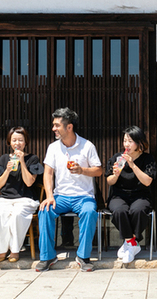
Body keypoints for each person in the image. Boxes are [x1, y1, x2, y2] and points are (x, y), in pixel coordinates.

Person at [36, 108, 103, 272]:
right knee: (44, 210)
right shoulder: (53, 148)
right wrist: (49, 196)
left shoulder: (87, 146)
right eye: (53, 125)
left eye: (57, 125)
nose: (53, 129)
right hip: (61, 196)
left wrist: (83, 171)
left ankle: (83, 256)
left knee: (89, 212)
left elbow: (99, 170)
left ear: (69, 127)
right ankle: (47, 256)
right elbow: (48, 173)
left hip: (83, 196)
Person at [0, 127, 44, 263]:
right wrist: (6, 171)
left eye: (20, 140)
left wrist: (22, 162)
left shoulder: (32, 158)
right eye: (14, 140)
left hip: (25, 199)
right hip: (6, 199)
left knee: (17, 215)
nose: (17, 143)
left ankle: (14, 250)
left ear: (25, 142)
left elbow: (29, 182)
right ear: (9, 142)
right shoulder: (4, 158)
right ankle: (1, 250)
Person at [105, 126, 156, 263]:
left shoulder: (147, 159)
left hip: (140, 195)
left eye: (130, 141)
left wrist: (132, 165)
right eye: (125, 140)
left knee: (138, 210)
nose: (126, 144)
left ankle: (129, 244)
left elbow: (147, 181)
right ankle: (132, 243)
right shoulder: (117, 158)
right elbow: (109, 181)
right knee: (119, 210)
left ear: (139, 143)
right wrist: (115, 174)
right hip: (119, 195)